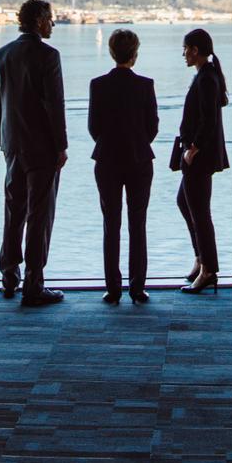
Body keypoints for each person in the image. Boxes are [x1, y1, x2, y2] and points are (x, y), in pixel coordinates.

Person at [0, 0, 67, 307]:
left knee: (14, 211)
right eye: (50, 19)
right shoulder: (49, 56)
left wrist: (2, 137)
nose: (53, 24)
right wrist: (61, 145)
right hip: (42, 148)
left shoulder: (1, 55)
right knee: (40, 215)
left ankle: (9, 276)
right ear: (38, 21)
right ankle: (34, 283)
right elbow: (55, 105)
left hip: (12, 144)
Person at [88, 27, 159, 305]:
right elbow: (152, 127)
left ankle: (112, 288)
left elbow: (93, 127)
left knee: (111, 224)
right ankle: (137, 287)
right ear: (135, 54)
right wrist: (138, 142)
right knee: (137, 224)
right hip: (139, 159)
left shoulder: (98, 85)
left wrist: (109, 143)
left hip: (107, 160)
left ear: (111, 51)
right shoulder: (145, 85)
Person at [174, 27, 230, 294]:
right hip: (198, 155)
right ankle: (201, 260)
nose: (183, 54)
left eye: (185, 48)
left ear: (195, 50)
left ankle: (208, 269)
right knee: (185, 202)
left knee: (200, 212)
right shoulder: (206, 75)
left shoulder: (206, 78)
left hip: (199, 156)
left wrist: (193, 148)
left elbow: (208, 119)